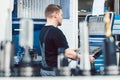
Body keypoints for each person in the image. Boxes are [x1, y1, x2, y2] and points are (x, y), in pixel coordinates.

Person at [39, 4, 95, 76]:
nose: (62, 18)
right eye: (61, 15)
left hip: (45, 72)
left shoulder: (43, 30)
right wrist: (85, 58)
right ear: (55, 15)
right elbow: (68, 54)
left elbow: (51, 50)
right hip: (54, 74)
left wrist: (68, 50)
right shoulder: (55, 31)